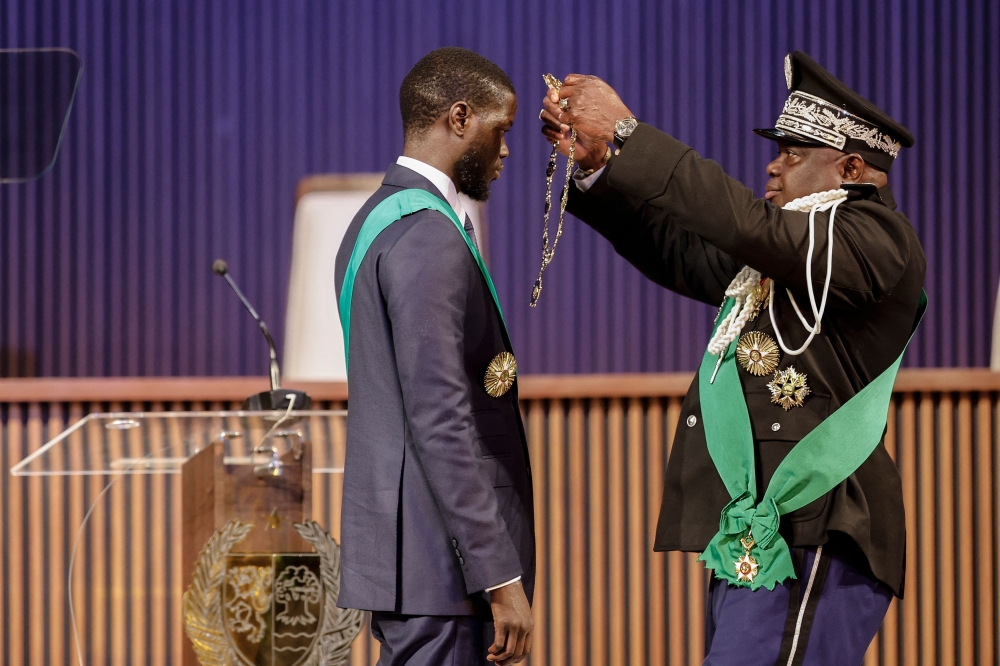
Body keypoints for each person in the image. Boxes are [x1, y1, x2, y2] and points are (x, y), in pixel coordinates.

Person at [540, 51, 925, 665]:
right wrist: (600, 169)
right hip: (762, 528)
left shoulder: (876, 238)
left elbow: (747, 225)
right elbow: (681, 249)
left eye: (794, 154)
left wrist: (632, 136)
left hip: (820, 522)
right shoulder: (786, 247)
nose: (773, 167)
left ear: (852, 168)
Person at [335, 47, 532, 666]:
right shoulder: (429, 232)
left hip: (410, 561)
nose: (505, 153)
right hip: (444, 568)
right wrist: (499, 574)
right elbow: (439, 416)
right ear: (460, 117)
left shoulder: (371, 221)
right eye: (501, 132)